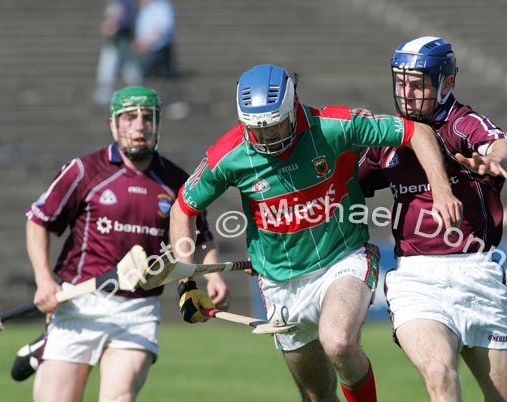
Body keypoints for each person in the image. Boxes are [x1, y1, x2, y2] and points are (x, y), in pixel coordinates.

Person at [170, 63, 462, 402]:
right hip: (281, 283)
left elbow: (415, 132)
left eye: (275, 127)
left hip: (343, 258)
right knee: (317, 396)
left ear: (293, 108)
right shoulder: (230, 155)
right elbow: (183, 209)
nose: (267, 140)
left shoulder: (333, 126)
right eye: (257, 130)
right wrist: (185, 283)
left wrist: (442, 190)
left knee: (338, 341)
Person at [25, 86, 228, 402]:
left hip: (137, 309)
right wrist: (43, 280)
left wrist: (214, 276)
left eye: (147, 117)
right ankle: (47, 343)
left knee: (118, 397)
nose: (138, 125)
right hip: (79, 302)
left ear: (157, 124)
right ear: (113, 125)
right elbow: (38, 220)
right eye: (129, 117)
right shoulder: (84, 171)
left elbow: (200, 238)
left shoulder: (177, 181)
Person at [359, 36, 507, 402]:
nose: (407, 91)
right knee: (439, 374)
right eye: (402, 81)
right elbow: (345, 188)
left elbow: (504, 145)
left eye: (418, 83)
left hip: (476, 274)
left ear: (446, 83)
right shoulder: (387, 136)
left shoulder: (462, 123)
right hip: (416, 279)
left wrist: (496, 159)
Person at [92, 0, 143, 105]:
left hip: (124, 43)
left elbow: (129, 19)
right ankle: (104, 96)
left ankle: (137, 95)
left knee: (131, 71)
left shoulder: (126, 2)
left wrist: (117, 25)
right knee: (106, 71)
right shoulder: (112, 2)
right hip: (112, 43)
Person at [133, 0, 177, 80]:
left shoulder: (162, 6)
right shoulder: (145, 7)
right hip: (146, 49)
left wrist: (146, 43)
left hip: (159, 48)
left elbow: (163, 29)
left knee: (149, 76)